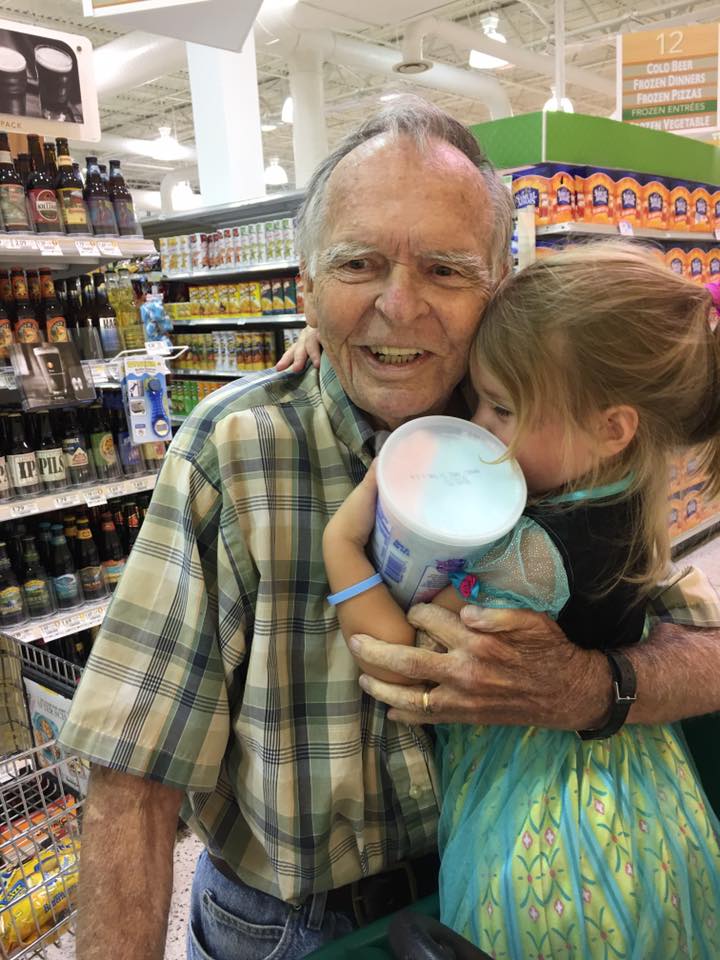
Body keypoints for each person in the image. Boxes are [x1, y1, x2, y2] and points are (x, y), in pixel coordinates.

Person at [58, 98, 720, 960]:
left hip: (481, 892)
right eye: (359, 264)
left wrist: (591, 687)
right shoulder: (238, 447)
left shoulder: (531, 440)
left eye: (446, 271)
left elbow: (702, 648)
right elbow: (131, 768)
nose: (399, 307)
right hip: (286, 925)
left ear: (500, 287)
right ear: (306, 286)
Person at [322, 242, 720, 958]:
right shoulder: (626, 492)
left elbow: (410, 657)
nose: (477, 426)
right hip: (647, 806)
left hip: (553, 843)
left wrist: (342, 546)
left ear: (611, 426)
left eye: (501, 408)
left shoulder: (525, 555)